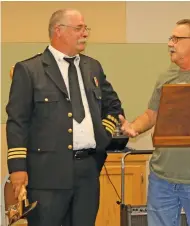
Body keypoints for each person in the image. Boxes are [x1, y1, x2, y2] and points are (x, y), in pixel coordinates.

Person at [6, 8, 124, 226]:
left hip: (88, 171)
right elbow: (17, 122)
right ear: (58, 31)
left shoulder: (92, 67)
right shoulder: (30, 70)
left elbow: (113, 107)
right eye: (78, 28)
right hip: (46, 174)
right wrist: (18, 168)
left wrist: (103, 134)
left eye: (85, 28)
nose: (85, 33)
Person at [119, 19, 190, 226]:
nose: (170, 43)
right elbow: (152, 114)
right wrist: (133, 127)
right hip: (161, 177)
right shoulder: (166, 76)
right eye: (170, 39)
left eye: (176, 38)